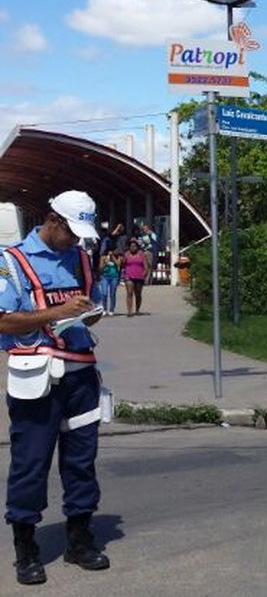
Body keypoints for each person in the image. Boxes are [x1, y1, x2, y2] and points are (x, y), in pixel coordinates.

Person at [0, 190, 112, 585]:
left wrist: (89, 313)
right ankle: (26, 549)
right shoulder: (11, 261)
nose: (77, 241)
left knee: (81, 462)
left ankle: (80, 539)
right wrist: (57, 313)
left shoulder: (81, 257)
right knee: (30, 464)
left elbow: (91, 310)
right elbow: (3, 321)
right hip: (37, 379)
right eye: (71, 232)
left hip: (81, 376)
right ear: (52, 220)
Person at [122, 238, 149, 317]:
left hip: (139, 276)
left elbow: (146, 265)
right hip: (129, 276)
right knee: (129, 293)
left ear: (137, 247)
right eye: (131, 246)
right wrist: (123, 260)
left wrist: (145, 273)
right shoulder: (126, 254)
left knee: (138, 294)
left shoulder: (141, 254)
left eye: (134, 246)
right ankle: (129, 311)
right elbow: (122, 265)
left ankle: (137, 310)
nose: (133, 248)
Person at [99, 245, 121, 316]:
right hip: (105, 277)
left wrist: (113, 258)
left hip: (114, 277)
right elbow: (100, 268)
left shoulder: (118, 257)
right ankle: (104, 309)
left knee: (112, 294)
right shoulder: (103, 257)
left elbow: (118, 265)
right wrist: (105, 262)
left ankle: (111, 309)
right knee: (104, 293)